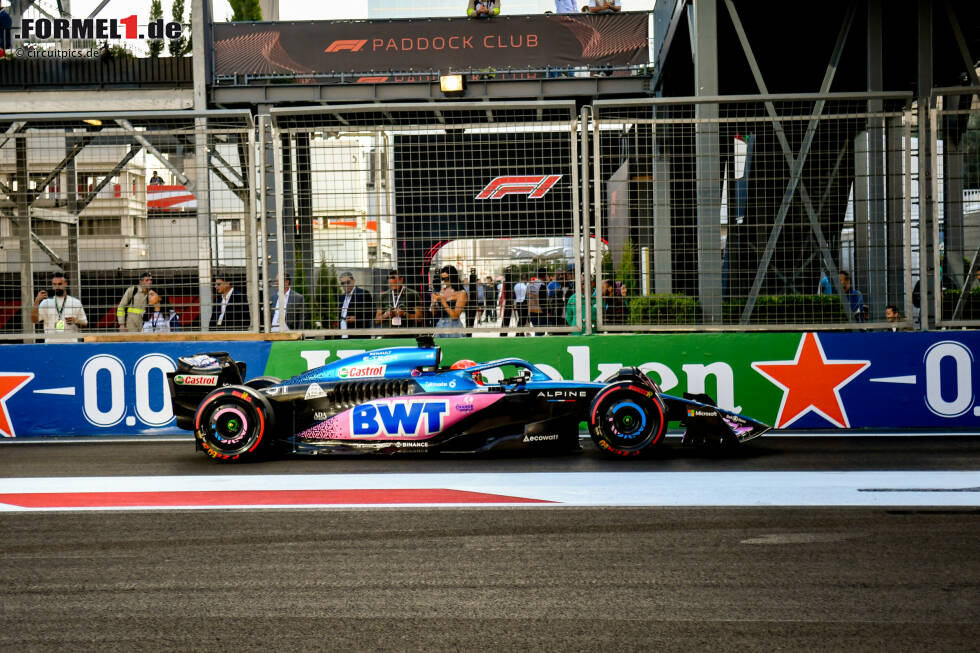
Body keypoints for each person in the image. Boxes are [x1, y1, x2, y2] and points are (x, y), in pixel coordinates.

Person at [31, 271, 88, 342]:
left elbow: (85, 324)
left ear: (66, 284)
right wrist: (36, 301)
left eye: (60, 284)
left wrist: (75, 321)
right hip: (51, 344)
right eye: (54, 284)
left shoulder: (75, 302)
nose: (57, 286)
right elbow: (34, 320)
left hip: (70, 344)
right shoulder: (46, 303)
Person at [430, 265, 467, 338]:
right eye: (442, 279)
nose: (444, 281)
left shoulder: (461, 292)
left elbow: (455, 316)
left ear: (452, 277)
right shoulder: (442, 291)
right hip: (440, 325)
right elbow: (434, 313)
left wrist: (442, 301)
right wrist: (433, 303)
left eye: (446, 279)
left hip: (454, 326)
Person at [338, 271, 373, 335]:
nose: (345, 285)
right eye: (342, 283)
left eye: (347, 282)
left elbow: (372, 313)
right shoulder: (341, 297)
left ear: (353, 281)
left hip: (358, 334)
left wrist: (356, 319)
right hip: (342, 333)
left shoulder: (363, 294)